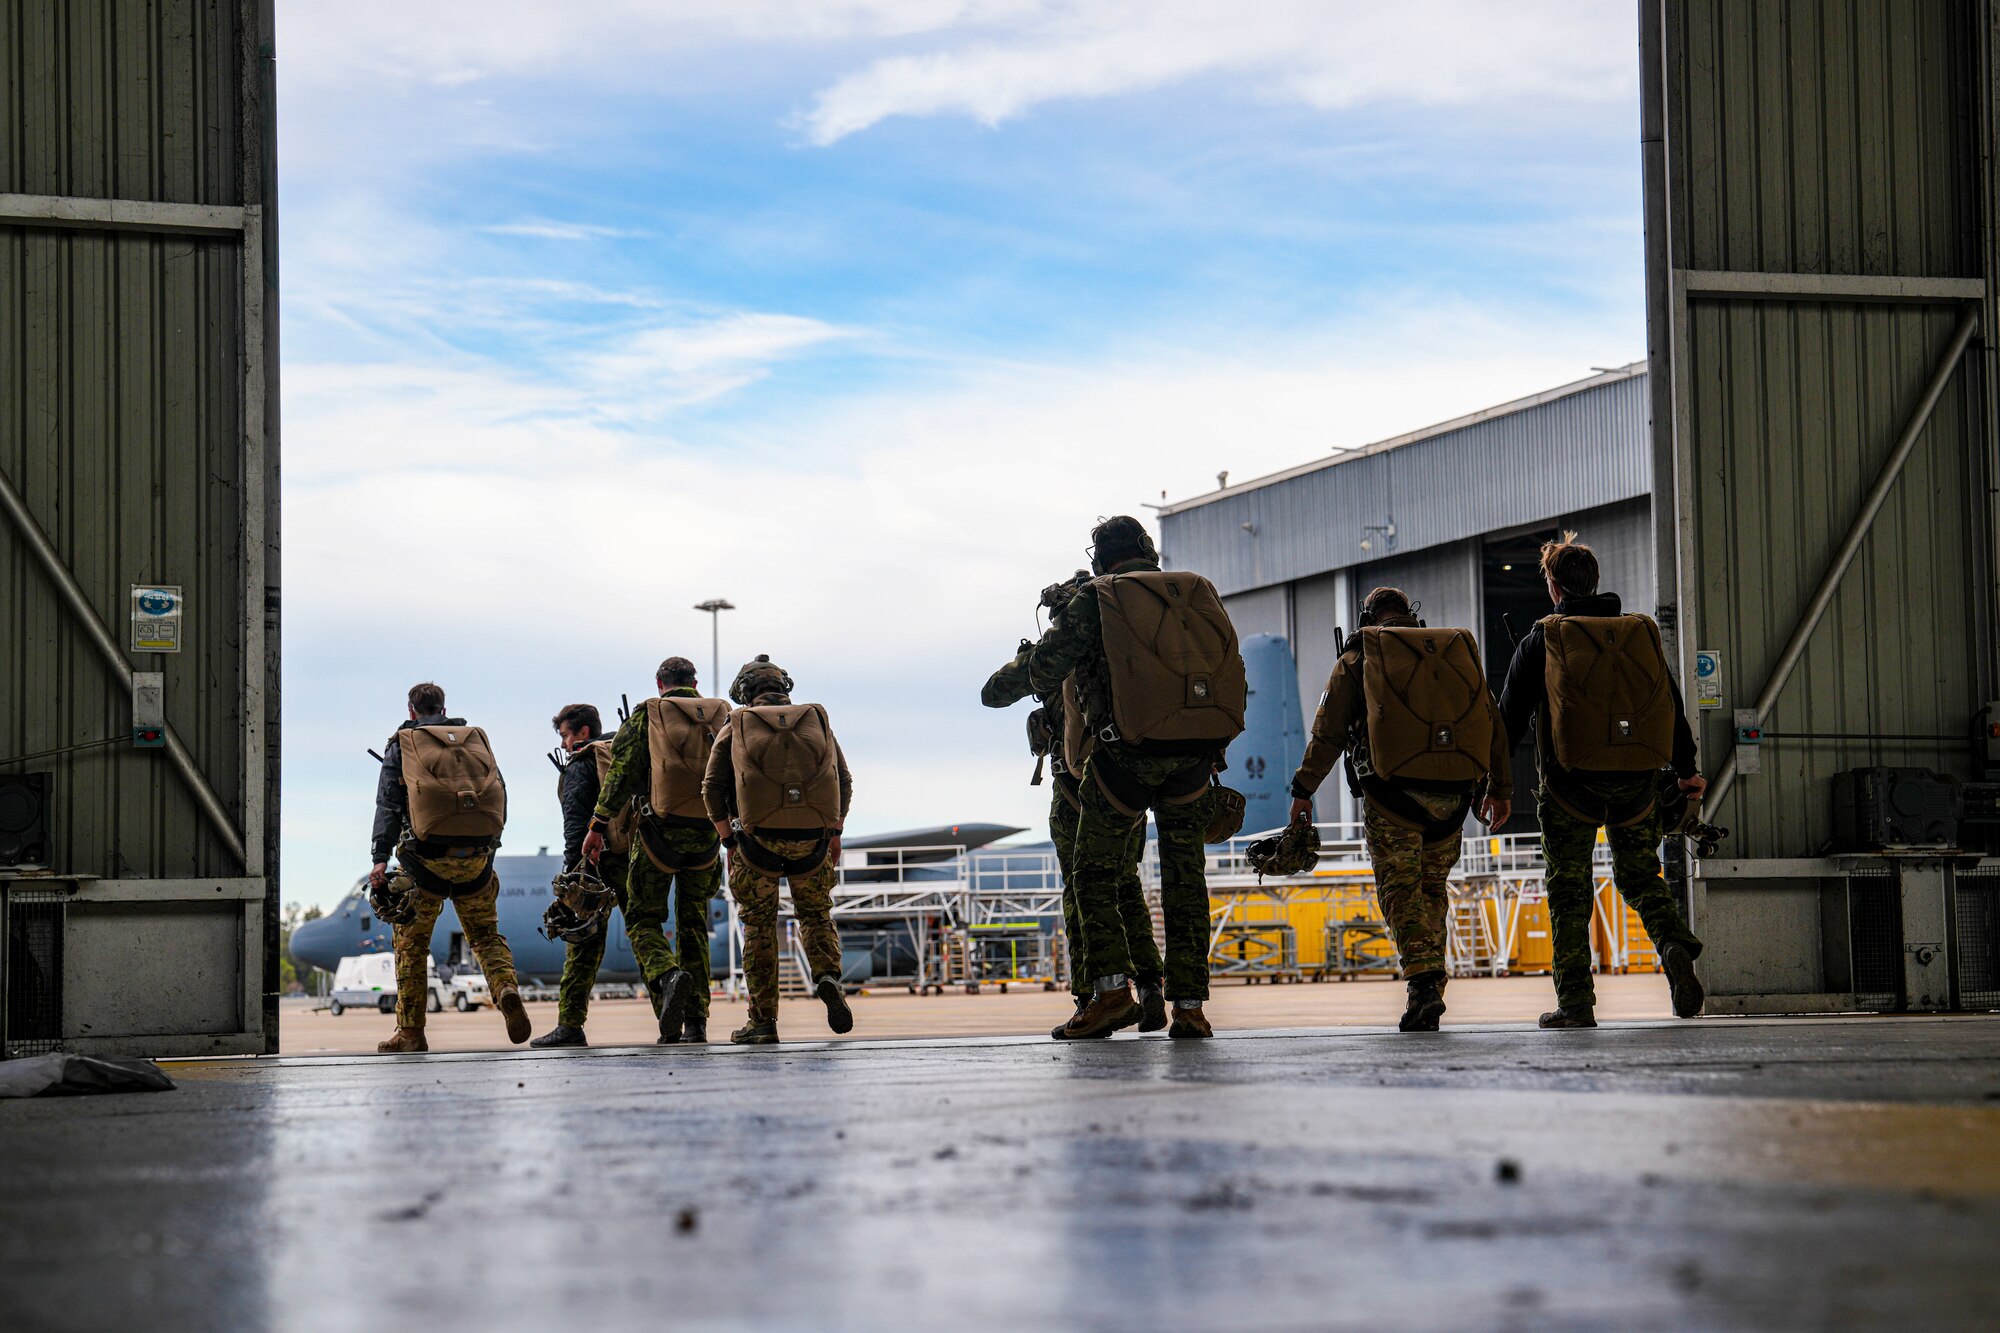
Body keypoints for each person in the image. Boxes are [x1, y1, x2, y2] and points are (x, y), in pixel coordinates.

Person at [983, 516, 1245, 1040]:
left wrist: (1008, 681)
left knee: (1094, 874)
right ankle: (1189, 1008)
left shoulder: (1100, 597)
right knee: (1186, 881)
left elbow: (1045, 668)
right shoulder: (1193, 593)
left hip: (1125, 759)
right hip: (1194, 759)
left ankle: (1108, 996)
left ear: (1101, 558)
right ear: (1148, 551)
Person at [1497, 533, 1707, 1028]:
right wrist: (1687, 769)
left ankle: (1575, 1003)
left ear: (1554, 585)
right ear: (1595, 582)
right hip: (1637, 785)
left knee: (1569, 890)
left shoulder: (1543, 637)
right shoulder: (1636, 634)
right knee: (1640, 878)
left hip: (1570, 788)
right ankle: (1674, 945)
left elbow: (1506, 719)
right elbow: (1669, 704)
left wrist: (1496, 787)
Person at [1285, 587, 1513, 1032]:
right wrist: (1499, 788)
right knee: (1432, 893)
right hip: (1454, 798)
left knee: (1400, 892)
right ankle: (1430, 987)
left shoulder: (1360, 656)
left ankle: (1424, 984)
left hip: (1393, 800)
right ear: (1411, 614)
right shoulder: (1453, 654)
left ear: (1368, 616)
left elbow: (1328, 734)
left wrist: (1303, 788)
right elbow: (1493, 723)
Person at [368, 681, 530, 1053]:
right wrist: (487, 851)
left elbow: (388, 805)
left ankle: (411, 1033)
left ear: (412, 710)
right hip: (476, 862)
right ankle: (505, 988)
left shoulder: (403, 744)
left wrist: (379, 857)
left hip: (423, 864)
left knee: (411, 945)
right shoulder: (474, 741)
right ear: (444, 707)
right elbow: (499, 795)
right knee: (486, 936)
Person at [702, 655, 855, 1045]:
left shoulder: (736, 725)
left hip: (757, 845)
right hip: (814, 843)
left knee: (758, 928)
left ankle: (763, 1020)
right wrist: (834, 832)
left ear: (744, 692)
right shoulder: (815, 721)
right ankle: (826, 978)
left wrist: (729, 841)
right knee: (817, 916)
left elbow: (711, 789)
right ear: (784, 687)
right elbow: (844, 781)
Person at [579, 658, 726, 1043]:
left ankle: (666, 973)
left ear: (660, 683)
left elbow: (621, 773)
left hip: (658, 836)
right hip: (708, 838)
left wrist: (597, 825)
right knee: (694, 924)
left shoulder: (649, 715)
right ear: (695, 682)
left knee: (643, 918)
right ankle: (696, 1023)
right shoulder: (723, 716)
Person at [530, 703, 633, 1048]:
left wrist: (572, 873)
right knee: (646, 934)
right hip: (633, 860)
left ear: (583, 732)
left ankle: (570, 1025)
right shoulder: (623, 756)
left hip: (594, 865)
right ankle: (677, 1020)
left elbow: (576, 825)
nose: (562, 744)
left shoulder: (581, 763)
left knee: (583, 945)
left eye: (564, 735)